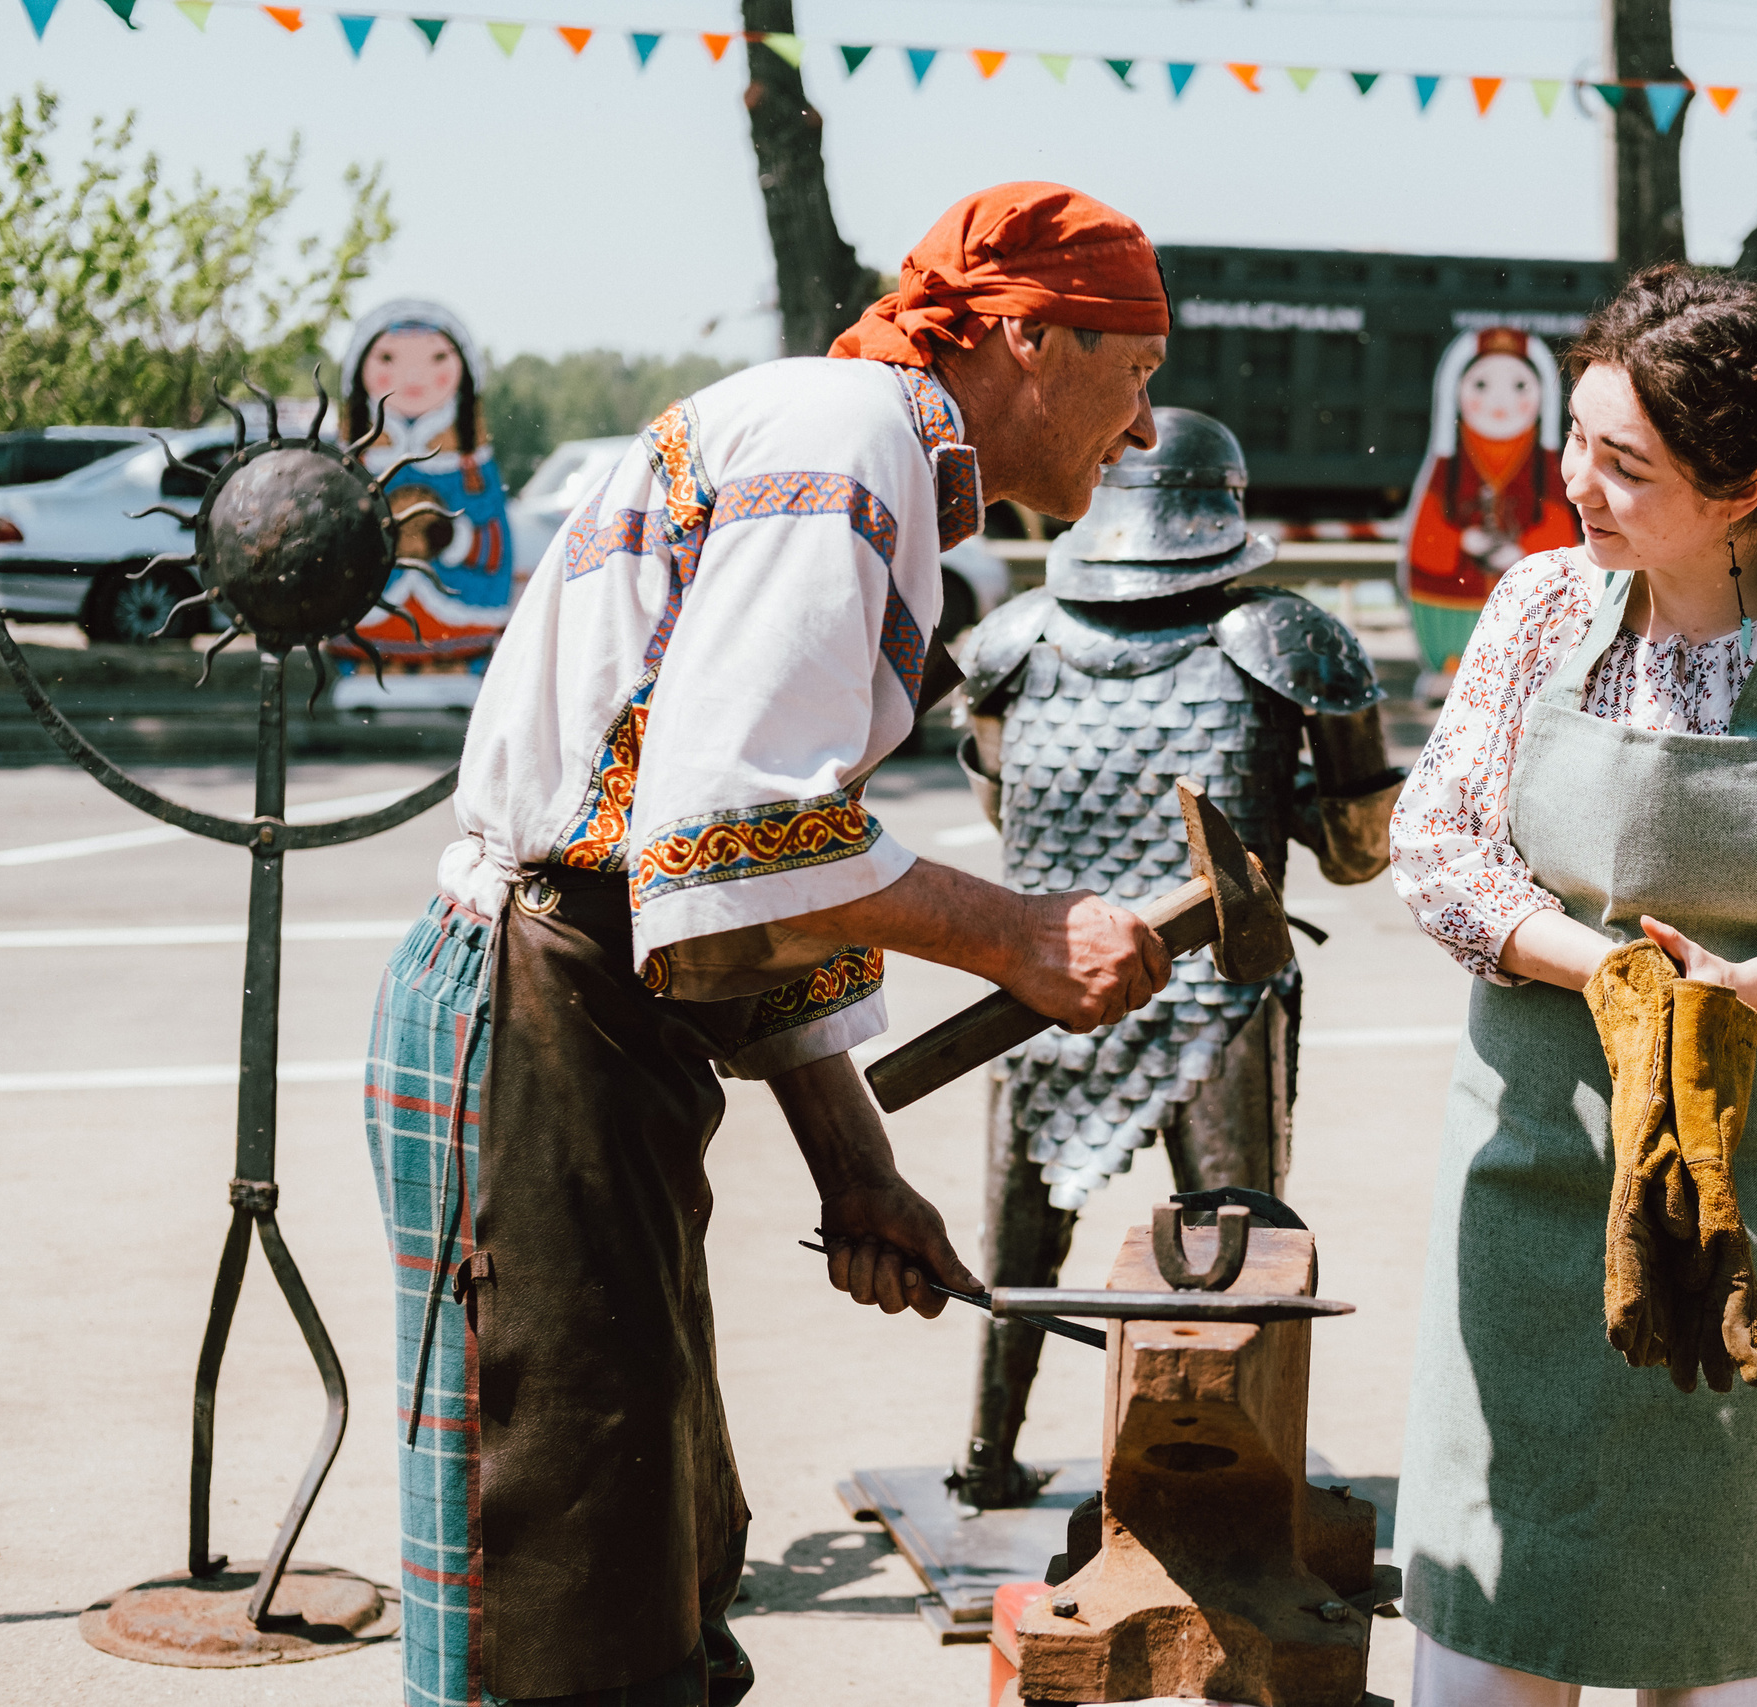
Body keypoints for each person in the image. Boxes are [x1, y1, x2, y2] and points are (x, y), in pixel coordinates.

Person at [362, 182, 1178, 1707]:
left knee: (644, 1542)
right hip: (530, 1010)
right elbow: (736, 830)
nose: (1142, 431)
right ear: (1026, 336)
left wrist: (852, 1160)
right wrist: (1016, 932)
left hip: (590, 1014)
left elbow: (739, 883)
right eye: (1134, 375)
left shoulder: (864, 445)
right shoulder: (848, 436)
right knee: (552, 1567)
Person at [1388, 265, 1757, 1706]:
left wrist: (1735, 995)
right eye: (1580, 438)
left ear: (1744, 486)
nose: (1575, 481)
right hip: (1525, 1184)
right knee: (1488, 1635)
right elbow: (1436, 846)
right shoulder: (1538, 605)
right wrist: (1605, 971)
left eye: (1623, 462)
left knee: (1714, 1638)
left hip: (1743, 1198)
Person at [945, 406, 1401, 1507]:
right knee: (1233, 1244)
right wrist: (1293, 800)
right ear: (1222, 511)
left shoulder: (1013, 640)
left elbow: (1000, 806)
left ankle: (989, 1457)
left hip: (1049, 984)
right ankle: (1233, 1476)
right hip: (1221, 993)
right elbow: (1353, 855)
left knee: (1020, 1244)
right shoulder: (1289, 638)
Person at [331, 299, 515, 709]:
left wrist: (449, 538)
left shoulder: (469, 461)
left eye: (436, 359)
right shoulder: (357, 459)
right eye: (388, 360)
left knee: (456, 617)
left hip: (456, 599)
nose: (413, 376)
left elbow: (493, 531)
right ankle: (370, 666)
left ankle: (452, 667)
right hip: (375, 600)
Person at [1399, 326, 1584, 700]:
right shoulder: (1449, 461)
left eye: (1519, 387)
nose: (1500, 400)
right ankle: (1450, 667)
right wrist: (1464, 539)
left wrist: (1520, 553)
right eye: (1482, 386)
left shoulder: (1544, 463)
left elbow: (1558, 529)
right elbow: (1428, 530)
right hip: (1460, 587)